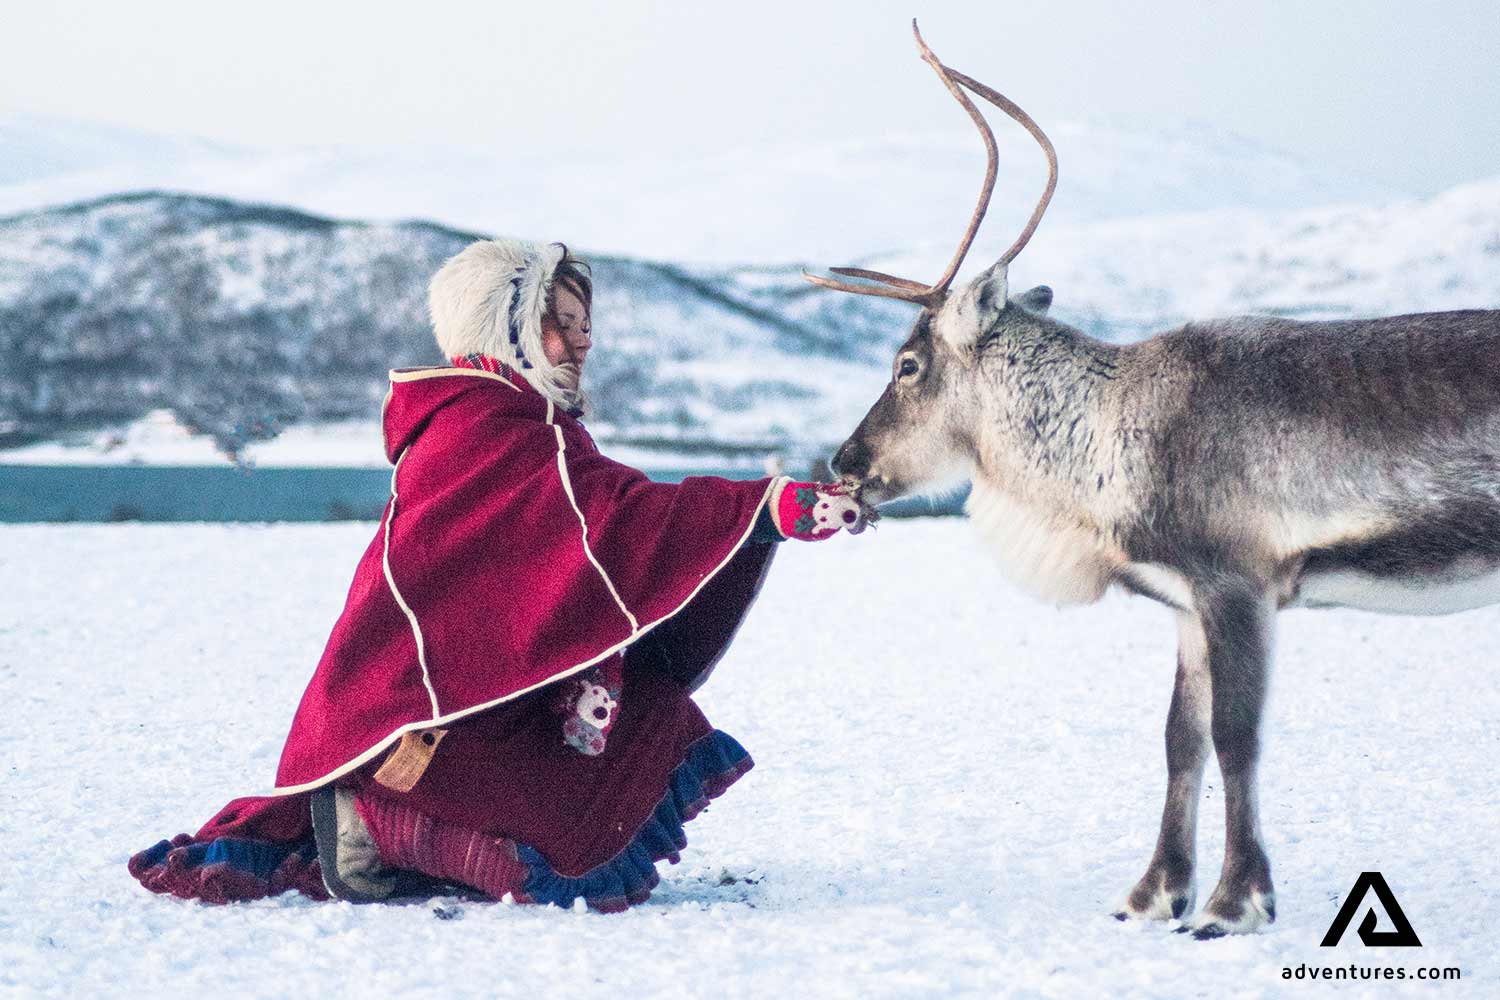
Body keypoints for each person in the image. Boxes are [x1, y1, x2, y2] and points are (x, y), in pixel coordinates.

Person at [129, 238, 869, 911]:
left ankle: (393, 828)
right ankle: (382, 824)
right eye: (564, 322)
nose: (582, 341)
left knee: (646, 718)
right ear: (507, 325)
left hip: (404, 726)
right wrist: (766, 507)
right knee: (590, 843)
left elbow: (576, 549)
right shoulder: (499, 428)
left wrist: (755, 515)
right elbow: (617, 522)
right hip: (419, 738)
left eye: (586, 325)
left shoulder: (485, 421)